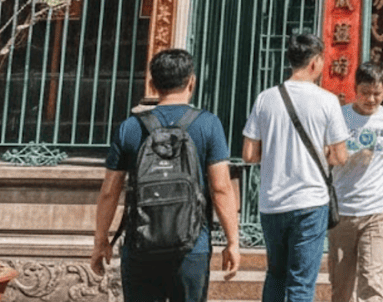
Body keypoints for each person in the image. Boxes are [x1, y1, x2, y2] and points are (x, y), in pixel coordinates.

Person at [90, 48, 240, 302]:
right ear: (191, 82)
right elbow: (221, 188)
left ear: (152, 84)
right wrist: (233, 241)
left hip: (141, 244)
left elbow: (109, 191)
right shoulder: (208, 125)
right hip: (192, 245)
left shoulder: (130, 128)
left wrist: (101, 239)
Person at [241, 34, 350, 302]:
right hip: (310, 202)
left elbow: (248, 154)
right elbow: (340, 156)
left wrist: (279, 149)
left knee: (275, 274)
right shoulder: (327, 101)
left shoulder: (266, 98)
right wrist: (320, 151)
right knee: (301, 282)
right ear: (315, 62)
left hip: (272, 203)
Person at [328, 61, 383, 302]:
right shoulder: (340, 118)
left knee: (372, 283)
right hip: (343, 211)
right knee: (341, 285)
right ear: (355, 89)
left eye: (377, 94)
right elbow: (325, 158)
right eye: (365, 93)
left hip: (378, 210)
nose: (371, 99)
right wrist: (347, 154)